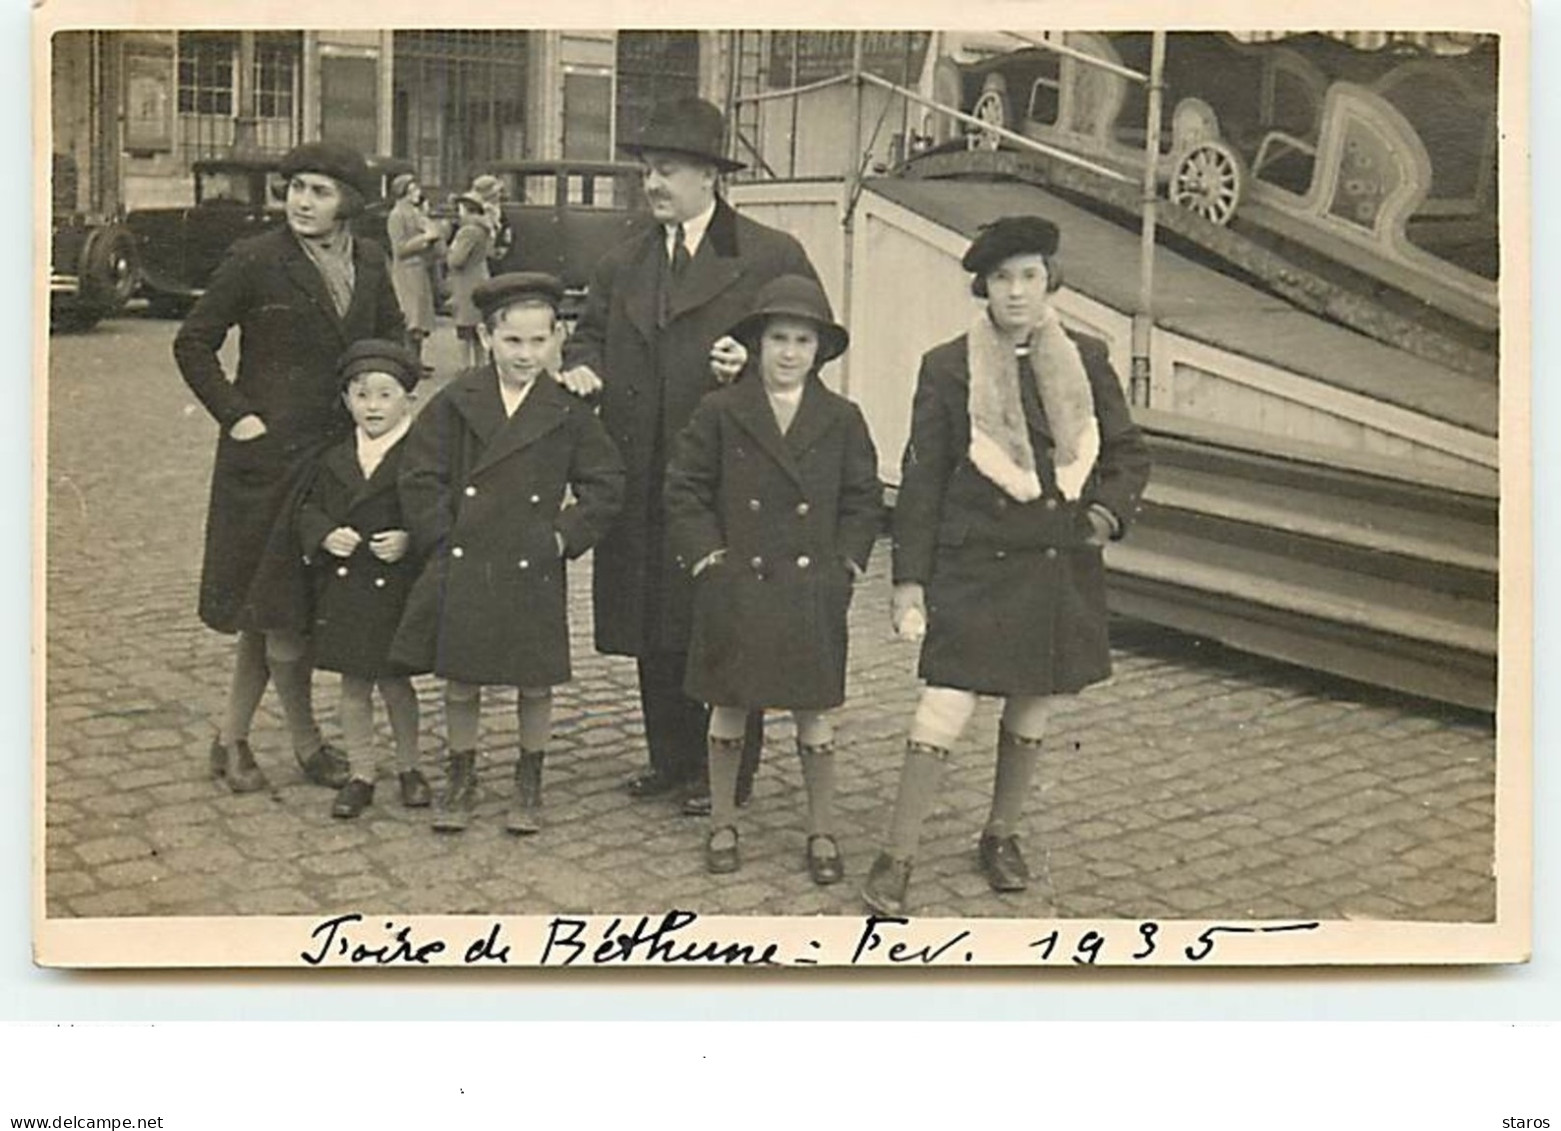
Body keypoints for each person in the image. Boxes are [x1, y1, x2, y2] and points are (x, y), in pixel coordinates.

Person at [860, 215, 1152, 916]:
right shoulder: (947, 365)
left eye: (1027, 275)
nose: (1015, 292)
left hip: (1055, 562)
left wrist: (1102, 515)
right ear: (982, 287)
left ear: (1049, 279)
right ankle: (895, 854)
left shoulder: (1086, 355)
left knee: (1033, 700)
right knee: (944, 704)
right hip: (975, 566)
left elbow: (1126, 454)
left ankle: (1001, 833)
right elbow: (922, 478)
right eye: (1000, 278)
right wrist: (908, 580)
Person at [559, 96, 823, 816]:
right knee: (653, 620)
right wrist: (582, 366)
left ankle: (725, 775)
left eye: (666, 170)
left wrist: (758, 360)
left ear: (710, 175)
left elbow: (811, 347)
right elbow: (585, 334)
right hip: (640, 470)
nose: (651, 183)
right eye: (646, 169)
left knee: (720, 621)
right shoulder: (624, 258)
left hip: (725, 474)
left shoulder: (770, 255)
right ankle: (670, 761)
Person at [175, 140, 406, 794]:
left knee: (274, 606)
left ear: (349, 203)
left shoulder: (367, 257)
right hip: (266, 461)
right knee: (278, 612)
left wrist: (384, 405)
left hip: (335, 461)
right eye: (296, 187)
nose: (302, 201)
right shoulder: (256, 260)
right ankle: (304, 744)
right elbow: (193, 341)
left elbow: (390, 339)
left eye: (320, 190)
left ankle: (231, 739)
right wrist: (237, 415)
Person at [665, 276, 882, 881]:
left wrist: (847, 564)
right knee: (730, 705)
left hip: (810, 588)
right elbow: (684, 489)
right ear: (757, 345)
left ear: (820, 351)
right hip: (738, 582)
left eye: (803, 341)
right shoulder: (721, 411)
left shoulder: (841, 417)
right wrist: (708, 557)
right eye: (778, 338)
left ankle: (821, 830)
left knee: (814, 711)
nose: (789, 353)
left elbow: (863, 498)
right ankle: (723, 823)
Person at [392, 273, 625, 834]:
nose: (526, 354)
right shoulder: (458, 399)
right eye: (513, 341)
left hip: (532, 560)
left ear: (557, 340)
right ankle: (461, 774)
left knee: (534, 677)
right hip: (467, 557)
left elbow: (607, 480)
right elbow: (419, 472)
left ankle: (529, 778)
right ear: (489, 338)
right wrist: (442, 535)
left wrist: (562, 537)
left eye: (538, 341)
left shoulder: (567, 409)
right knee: (462, 678)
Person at [293, 339, 430, 819]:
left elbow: (439, 508)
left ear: (407, 399)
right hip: (348, 587)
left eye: (385, 394)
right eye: (361, 395)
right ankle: (361, 772)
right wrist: (326, 535)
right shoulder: (335, 457)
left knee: (395, 684)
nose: (373, 406)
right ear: (347, 400)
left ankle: (411, 767)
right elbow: (308, 508)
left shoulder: (420, 453)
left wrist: (410, 538)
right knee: (353, 684)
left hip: (394, 585)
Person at [385, 173, 443, 365]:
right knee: (411, 318)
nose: (418, 193)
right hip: (406, 272)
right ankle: (408, 361)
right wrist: (425, 238)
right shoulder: (397, 215)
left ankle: (416, 360)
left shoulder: (417, 213)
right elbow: (399, 248)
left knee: (420, 320)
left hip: (420, 270)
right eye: (413, 190)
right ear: (403, 192)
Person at [444, 193, 492, 369]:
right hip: (479, 277)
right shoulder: (484, 229)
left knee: (465, 328)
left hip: (466, 283)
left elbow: (456, 260)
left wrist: (448, 251)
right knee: (478, 326)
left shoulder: (467, 231)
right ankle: (480, 365)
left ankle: (466, 366)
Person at [471, 174, 514, 267]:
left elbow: (505, 228)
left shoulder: (499, 210)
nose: (499, 196)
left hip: (498, 253)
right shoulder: (479, 212)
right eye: (495, 194)